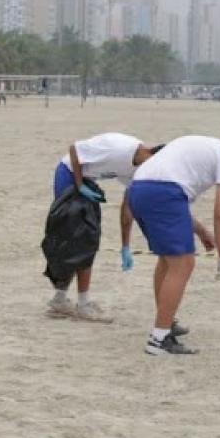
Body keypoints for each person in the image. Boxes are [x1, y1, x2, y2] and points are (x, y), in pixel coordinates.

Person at [127, 130, 220, 355]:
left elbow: (168, 187)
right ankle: (159, 339)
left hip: (137, 189)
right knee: (183, 264)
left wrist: (200, 232)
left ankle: (166, 321)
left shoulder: (197, 142)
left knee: (168, 261)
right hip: (164, 193)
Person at [48, 133, 162, 322]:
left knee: (81, 240)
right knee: (82, 241)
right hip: (69, 175)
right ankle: (82, 305)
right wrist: (79, 185)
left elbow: (127, 208)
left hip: (87, 179)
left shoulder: (141, 169)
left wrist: (125, 246)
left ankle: (59, 299)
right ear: (151, 154)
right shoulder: (119, 149)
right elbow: (74, 149)